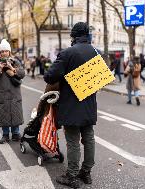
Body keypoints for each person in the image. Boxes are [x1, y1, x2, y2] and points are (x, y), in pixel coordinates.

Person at [44, 22, 97, 189]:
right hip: (89, 104)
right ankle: (86, 172)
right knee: (89, 138)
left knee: (73, 140)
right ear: (87, 35)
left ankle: (72, 175)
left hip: (72, 105)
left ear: (73, 36)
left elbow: (50, 77)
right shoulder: (95, 52)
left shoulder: (68, 53)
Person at [0, 39, 25, 144]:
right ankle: (5, 134)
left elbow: (22, 73)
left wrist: (13, 69)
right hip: (2, 92)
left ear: (9, 51)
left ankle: (15, 133)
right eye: (2, 51)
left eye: (6, 51)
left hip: (14, 92)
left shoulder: (15, 61)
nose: (4, 53)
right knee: (3, 112)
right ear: (0, 53)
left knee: (15, 112)